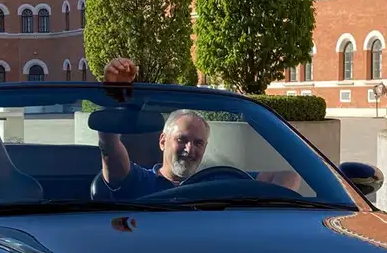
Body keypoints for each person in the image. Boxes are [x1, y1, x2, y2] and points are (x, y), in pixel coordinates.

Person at [96, 57, 301, 196]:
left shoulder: (221, 180)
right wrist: (114, 95)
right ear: (162, 141)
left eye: (198, 142)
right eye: (182, 140)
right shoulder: (140, 180)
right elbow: (109, 148)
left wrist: (264, 205)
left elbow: (289, 177)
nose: (189, 149)